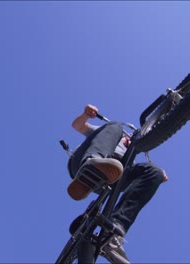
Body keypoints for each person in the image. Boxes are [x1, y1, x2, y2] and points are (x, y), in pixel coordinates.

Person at [67, 104, 168, 264]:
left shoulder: (130, 155)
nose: (129, 140)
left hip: (111, 175)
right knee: (115, 125)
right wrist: (86, 114)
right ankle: (91, 165)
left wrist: (156, 177)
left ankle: (114, 231)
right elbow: (78, 126)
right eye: (129, 137)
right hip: (84, 162)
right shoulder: (114, 134)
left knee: (153, 171)